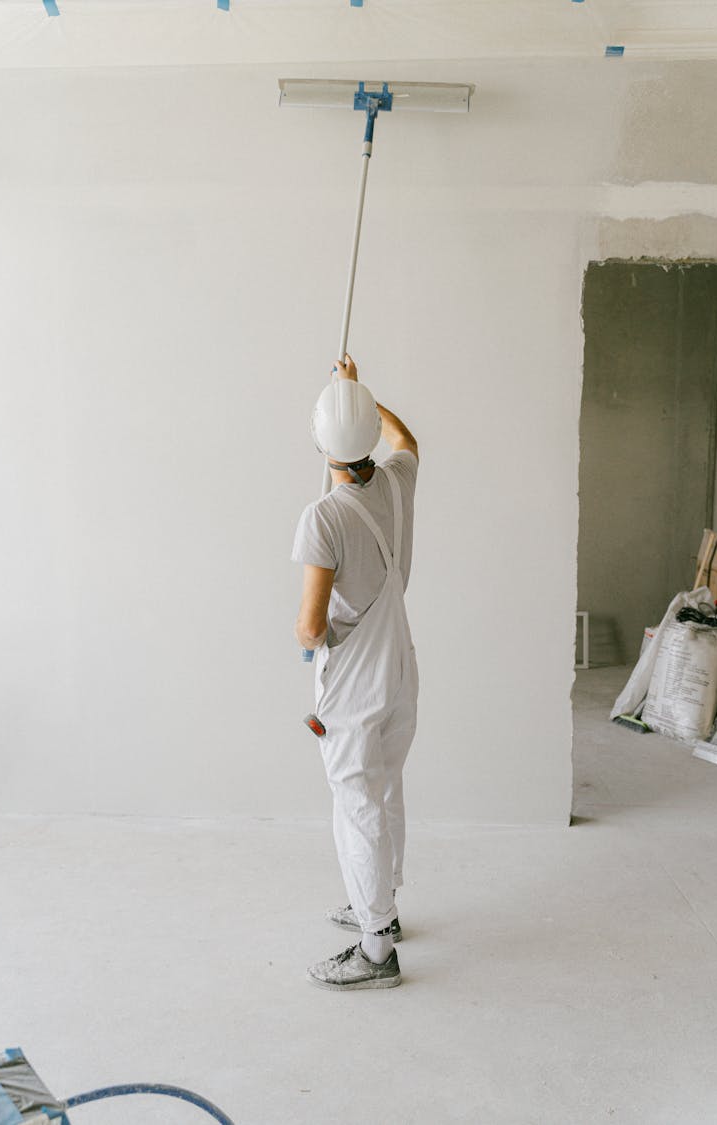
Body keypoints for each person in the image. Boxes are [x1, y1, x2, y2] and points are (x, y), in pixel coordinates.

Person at [292, 354, 419, 991]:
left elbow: (312, 628)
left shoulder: (325, 516)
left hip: (353, 683)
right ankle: (386, 911)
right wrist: (357, 392)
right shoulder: (399, 479)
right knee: (386, 785)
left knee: (355, 805)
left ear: (319, 444)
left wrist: (305, 642)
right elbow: (405, 440)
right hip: (400, 667)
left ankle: (375, 951)